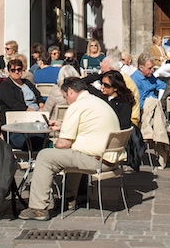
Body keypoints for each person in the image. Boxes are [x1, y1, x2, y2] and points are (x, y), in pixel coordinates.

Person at [18, 77, 123, 221]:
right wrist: (63, 126)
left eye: (65, 96)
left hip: (97, 160)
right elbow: (87, 127)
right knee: (72, 154)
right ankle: (69, 198)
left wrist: (54, 145)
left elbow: (64, 143)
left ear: (71, 91)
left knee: (45, 156)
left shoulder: (77, 106)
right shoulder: (97, 101)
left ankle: (38, 208)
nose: (65, 100)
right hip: (111, 158)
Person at [0, 57, 41, 149]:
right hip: (18, 122)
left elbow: (38, 95)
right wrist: (32, 112)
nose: (16, 72)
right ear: (9, 71)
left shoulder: (27, 82)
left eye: (19, 69)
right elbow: (14, 105)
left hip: (36, 117)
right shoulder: (5, 86)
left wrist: (41, 104)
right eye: (13, 70)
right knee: (37, 140)